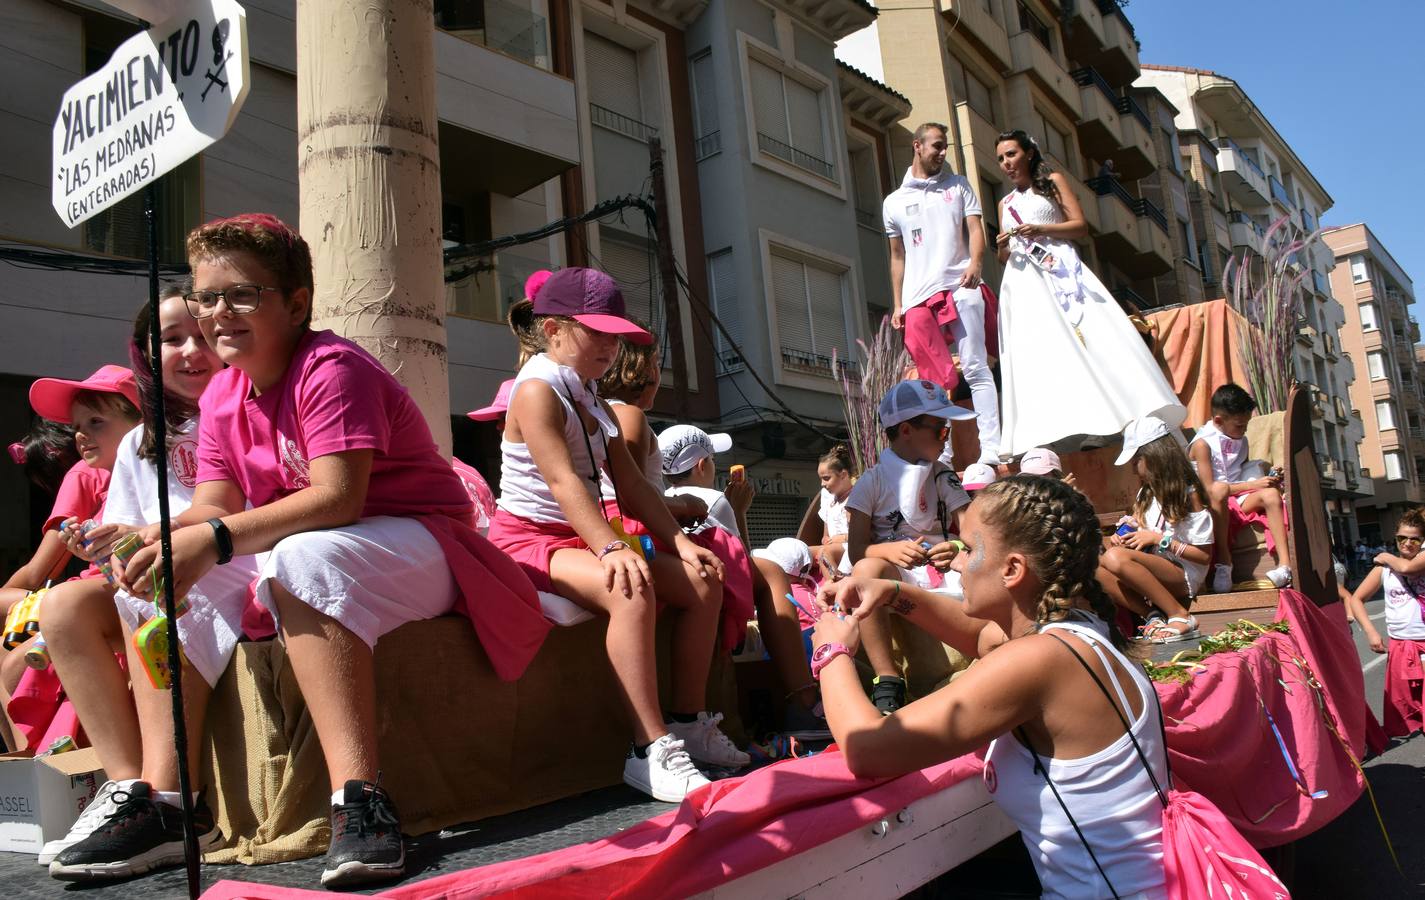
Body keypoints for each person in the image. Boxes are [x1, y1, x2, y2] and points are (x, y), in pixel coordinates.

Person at [67, 213, 550, 889]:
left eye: (242, 295)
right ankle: (175, 804)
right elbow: (214, 505)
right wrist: (163, 540)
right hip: (329, 547)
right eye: (207, 297)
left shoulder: (332, 368)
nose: (217, 314)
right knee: (144, 579)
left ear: (296, 304)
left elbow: (337, 499)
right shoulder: (225, 393)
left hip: (430, 545)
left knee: (305, 557)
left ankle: (359, 799)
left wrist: (211, 538)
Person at [812, 475, 1169, 898]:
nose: (956, 563)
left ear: (1013, 569)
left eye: (968, 549)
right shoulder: (1080, 632)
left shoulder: (1037, 660)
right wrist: (890, 592)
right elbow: (980, 637)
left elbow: (868, 750)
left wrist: (831, 651)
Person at [488, 266, 746, 804]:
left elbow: (631, 485)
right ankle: (648, 749)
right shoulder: (536, 391)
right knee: (629, 587)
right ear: (554, 329)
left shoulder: (592, 400)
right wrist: (609, 546)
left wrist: (681, 543)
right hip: (530, 540)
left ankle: (689, 721)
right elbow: (562, 482)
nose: (610, 345)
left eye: (615, 334)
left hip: (582, 534)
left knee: (703, 584)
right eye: (596, 332)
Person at [39, 288, 245, 871]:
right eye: (171, 339)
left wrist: (147, 539)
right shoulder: (137, 442)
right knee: (62, 607)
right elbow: (126, 537)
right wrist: (110, 544)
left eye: (200, 335)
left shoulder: (244, 411)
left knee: (163, 582)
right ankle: (129, 791)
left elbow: (244, 510)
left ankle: (175, 803)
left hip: (230, 560)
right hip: (164, 560)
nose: (189, 350)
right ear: (147, 356)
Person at [992, 130, 1185, 457]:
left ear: (1028, 153)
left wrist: (1041, 229)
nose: (1006, 163)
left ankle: (1116, 417)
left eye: (1011, 154)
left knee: (1094, 338)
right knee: (1036, 351)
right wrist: (1001, 249)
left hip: (1060, 270)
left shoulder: (1052, 182)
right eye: (1000, 158)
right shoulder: (1005, 203)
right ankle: (1044, 431)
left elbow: (1080, 226)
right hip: (1022, 279)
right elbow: (1005, 254)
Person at [1, 367, 142, 752]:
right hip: (98, 600)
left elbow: (33, 576)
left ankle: (38, 767)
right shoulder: (97, 476)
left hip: (123, 600)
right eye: (78, 425)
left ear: (142, 424)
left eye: (96, 421)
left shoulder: (92, 476)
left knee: (16, 665)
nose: (80, 435)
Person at [845, 379, 975, 713]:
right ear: (906, 430)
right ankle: (887, 678)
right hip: (894, 576)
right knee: (866, 570)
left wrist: (958, 547)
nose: (945, 438)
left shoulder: (942, 475)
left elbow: (973, 529)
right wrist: (885, 550)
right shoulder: (871, 481)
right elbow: (856, 550)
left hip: (942, 575)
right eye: (939, 431)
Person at [883, 122, 999, 465]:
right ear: (917, 146)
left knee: (977, 367)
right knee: (933, 381)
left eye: (945, 145)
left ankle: (991, 447)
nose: (942, 151)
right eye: (936, 145)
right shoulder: (894, 202)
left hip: (961, 287)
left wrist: (975, 264)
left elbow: (976, 229)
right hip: (919, 299)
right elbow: (897, 256)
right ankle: (943, 452)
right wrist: (898, 304)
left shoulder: (959, 186)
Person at [1099, 418, 1210, 643]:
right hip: (1157, 565)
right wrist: (1124, 536)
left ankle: (1179, 614)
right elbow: (1142, 533)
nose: (1132, 468)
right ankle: (1152, 615)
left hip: (1185, 572)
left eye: (1135, 460)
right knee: (1093, 563)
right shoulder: (1146, 494)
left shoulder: (1189, 494)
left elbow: (1203, 556)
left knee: (1115, 558)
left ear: (1153, 457)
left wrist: (1159, 539)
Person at [1188, 383, 1291, 593]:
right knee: (1218, 491)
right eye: (1239, 425)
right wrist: (1252, 484)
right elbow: (1209, 489)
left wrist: (1268, 477)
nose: (1244, 430)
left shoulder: (1241, 440)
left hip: (1237, 498)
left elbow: (1240, 472)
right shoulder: (1202, 444)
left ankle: (1285, 565)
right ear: (1218, 420)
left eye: (1246, 425)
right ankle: (1224, 563)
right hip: (1211, 504)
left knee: (1271, 494)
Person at [1348, 508, 1425, 738]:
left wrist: (1384, 555)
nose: (1408, 543)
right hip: (1401, 647)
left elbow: (1407, 568)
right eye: (1402, 538)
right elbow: (1356, 598)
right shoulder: (1383, 571)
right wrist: (1371, 632)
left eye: (1415, 539)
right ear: (1396, 537)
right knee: (1412, 710)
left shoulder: (1416, 560)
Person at [809, 444, 856, 577]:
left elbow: (864, 534)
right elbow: (826, 533)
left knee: (824, 554)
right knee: (802, 553)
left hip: (850, 548)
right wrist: (826, 538)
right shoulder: (830, 501)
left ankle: (835, 586)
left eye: (826, 478)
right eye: (821, 479)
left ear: (843, 475)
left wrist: (841, 538)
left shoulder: (854, 500)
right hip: (832, 546)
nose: (822, 484)